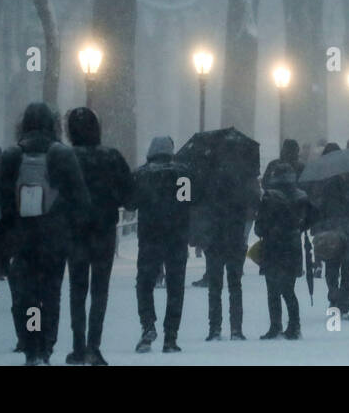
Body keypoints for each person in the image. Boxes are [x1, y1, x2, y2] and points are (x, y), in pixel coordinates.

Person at [0, 102, 90, 365]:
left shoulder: (12, 155)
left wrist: (4, 241)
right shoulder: (62, 155)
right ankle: (46, 347)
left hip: (22, 239)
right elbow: (80, 200)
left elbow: (2, 200)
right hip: (54, 238)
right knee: (50, 294)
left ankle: (31, 346)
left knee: (27, 296)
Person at [64, 107, 133, 365]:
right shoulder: (111, 157)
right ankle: (94, 345)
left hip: (75, 231)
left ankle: (78, 345)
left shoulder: (65, 157)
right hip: (103, 230)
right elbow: (130, 196)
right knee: (100, 290)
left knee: (77, 289)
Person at [133, 135, 190, 353]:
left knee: (144, 283)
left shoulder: (141, 174)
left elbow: (131, 203)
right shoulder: (183, 174)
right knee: (176, 287)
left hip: (150, 236)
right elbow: (188, 201)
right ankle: (171, 337)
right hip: (176, 237)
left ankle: (148, 324)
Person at [204, 152, 260, 341]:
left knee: (215, 286)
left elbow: (198, 205)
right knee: (235, 285)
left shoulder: (208, 180)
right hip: (235, 238)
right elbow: (255, 202)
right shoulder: (242, 180)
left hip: (214, 239)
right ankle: (236, 328)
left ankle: (214, 328)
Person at [255, 160, 314, 339]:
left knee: (272, 290)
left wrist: (269, 229)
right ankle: (294, 326)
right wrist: (297, 228)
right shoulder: (301, 197)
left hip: (272, 248)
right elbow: (311, 219)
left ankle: (275, 326)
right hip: (292, 247)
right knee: (288, 290)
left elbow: (259, 227)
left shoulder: (269, 197)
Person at [315, 143, 349, 320]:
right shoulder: (327, 185)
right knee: (332, 270)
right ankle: (334, 299)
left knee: (347, 272)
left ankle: (343, 306)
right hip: (332, 233)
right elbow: (319, 208)